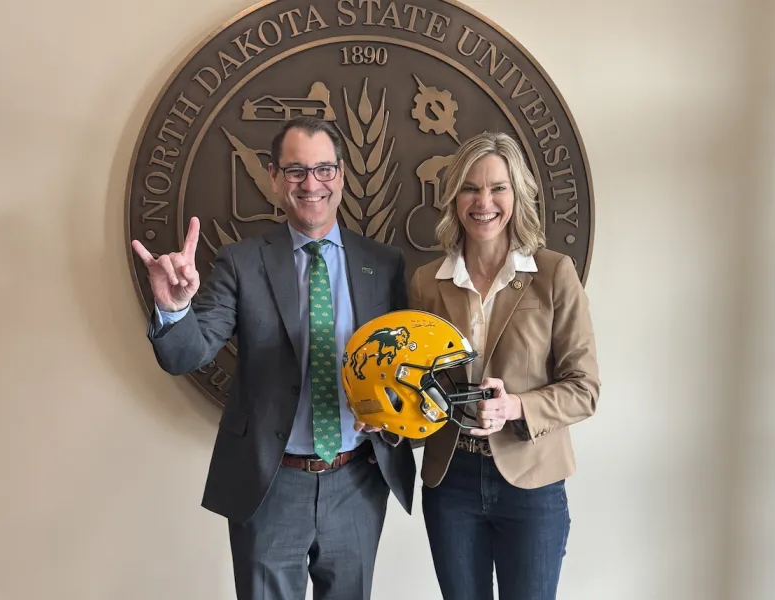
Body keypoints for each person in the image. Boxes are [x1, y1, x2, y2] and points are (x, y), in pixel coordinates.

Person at [131, 116, 415, 600]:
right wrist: (175, 309)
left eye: (324, 169)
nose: (312, 184)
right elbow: (189, 355)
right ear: (273, 178)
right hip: (271, 484)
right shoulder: (242, 262)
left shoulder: (384, 265)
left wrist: (390, 415)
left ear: (342, 176)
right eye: (296, 170)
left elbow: (405, 366)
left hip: (358, 480)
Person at [407, 131, 601, 599]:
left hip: (531, 480)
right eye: (471, 188)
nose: (484, 201)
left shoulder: (554, 274)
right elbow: (416, 382)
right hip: (449, 481)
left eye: (498, 188)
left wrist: (515, 406)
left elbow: (584, 388)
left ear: (518, 195)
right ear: (454, 197)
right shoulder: (426, 283)